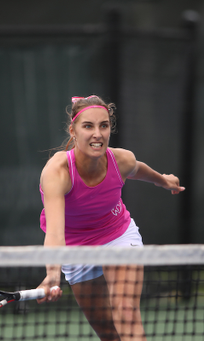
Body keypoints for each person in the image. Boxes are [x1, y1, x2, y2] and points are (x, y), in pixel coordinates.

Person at [36, 95, 185, 341]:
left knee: (126, 312)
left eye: (103, 126)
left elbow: (139, 169)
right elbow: (54, 233)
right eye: (88, 126)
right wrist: (53, 274)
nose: (98, 134)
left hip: (118, 235)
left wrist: (163, 180)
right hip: (76, 248)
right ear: (73, 131)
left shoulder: (120, 159)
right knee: (108, 333)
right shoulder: (57, 172)